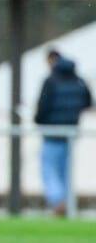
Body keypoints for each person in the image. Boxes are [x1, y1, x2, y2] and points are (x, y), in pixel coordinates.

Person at [34, 50, 91, 217]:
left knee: (49, 171)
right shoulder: (79, 80)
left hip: (52, 133)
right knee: (66, 172)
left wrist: (38, 120)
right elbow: (88, 101)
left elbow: (43, 106)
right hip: (71, 133)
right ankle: (66, 202)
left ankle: (58, 202)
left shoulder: (51, 81)